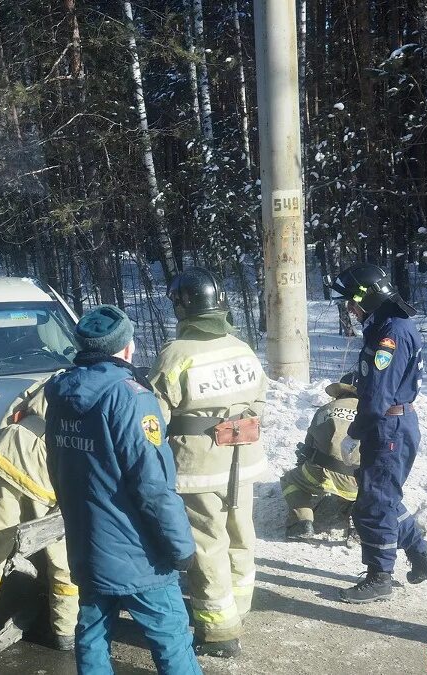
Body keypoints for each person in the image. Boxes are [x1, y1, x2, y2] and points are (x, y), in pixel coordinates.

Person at [45, 305, 201, 674]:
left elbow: (59, 470)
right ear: (126, 347)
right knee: (171, 637)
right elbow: (153, 484)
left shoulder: (60, 396)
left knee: (92, 634)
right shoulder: (131, 397)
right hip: (139, 553)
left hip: (88, 544)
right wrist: (180, 547)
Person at [148, 268, 267, 658]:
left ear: (183, 307)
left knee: (207, 544)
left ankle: (218, 632)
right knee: (240, 535)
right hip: (243, 460)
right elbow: (260, 401)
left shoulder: (175, 354)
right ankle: (238, 608)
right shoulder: (241, 347)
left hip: (199, 467)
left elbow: (153, 417)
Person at [328, 263, 427, 603]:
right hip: (392, 424)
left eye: (352, 301)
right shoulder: (387, 325)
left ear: (369, 297)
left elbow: (378, 396)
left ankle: (380, 578)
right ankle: (421, 558)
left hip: (387, 426)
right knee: (385, 497)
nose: (349, 307)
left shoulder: (390, 333)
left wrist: (356, 431)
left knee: (373, 504)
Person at [0, 375, 78, 652]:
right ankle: (66, 632)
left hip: (13, 450)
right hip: (54, 465)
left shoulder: (60, 375)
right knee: (64, 554)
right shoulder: (118, 387)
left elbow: (15, 410)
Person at [280, 373, 360, 541]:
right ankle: (357, 514)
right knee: (354, 491)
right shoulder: (372, 413)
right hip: (356, 480)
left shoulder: (325, 409)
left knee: (289, 480)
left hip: (319, 472)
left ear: (340, 392)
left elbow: (308, 447)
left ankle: (301, 522)